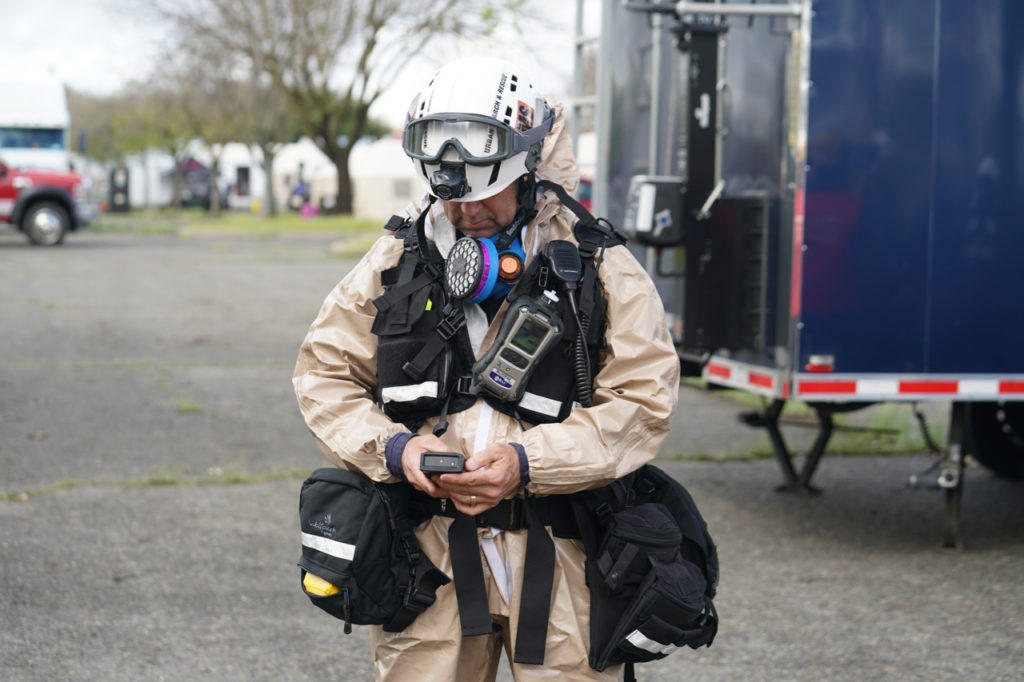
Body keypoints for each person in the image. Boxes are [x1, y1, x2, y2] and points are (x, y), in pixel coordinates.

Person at [293, 56, 680, 681]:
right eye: (451, 193)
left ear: (526, 170)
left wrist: (530, 463)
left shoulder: (598, 266)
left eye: (483, 192)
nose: (465, 211)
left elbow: (643, 401)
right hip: (430, 565)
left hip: (562, 564)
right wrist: (395, 450)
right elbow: (323, 375)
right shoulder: (398, 257)